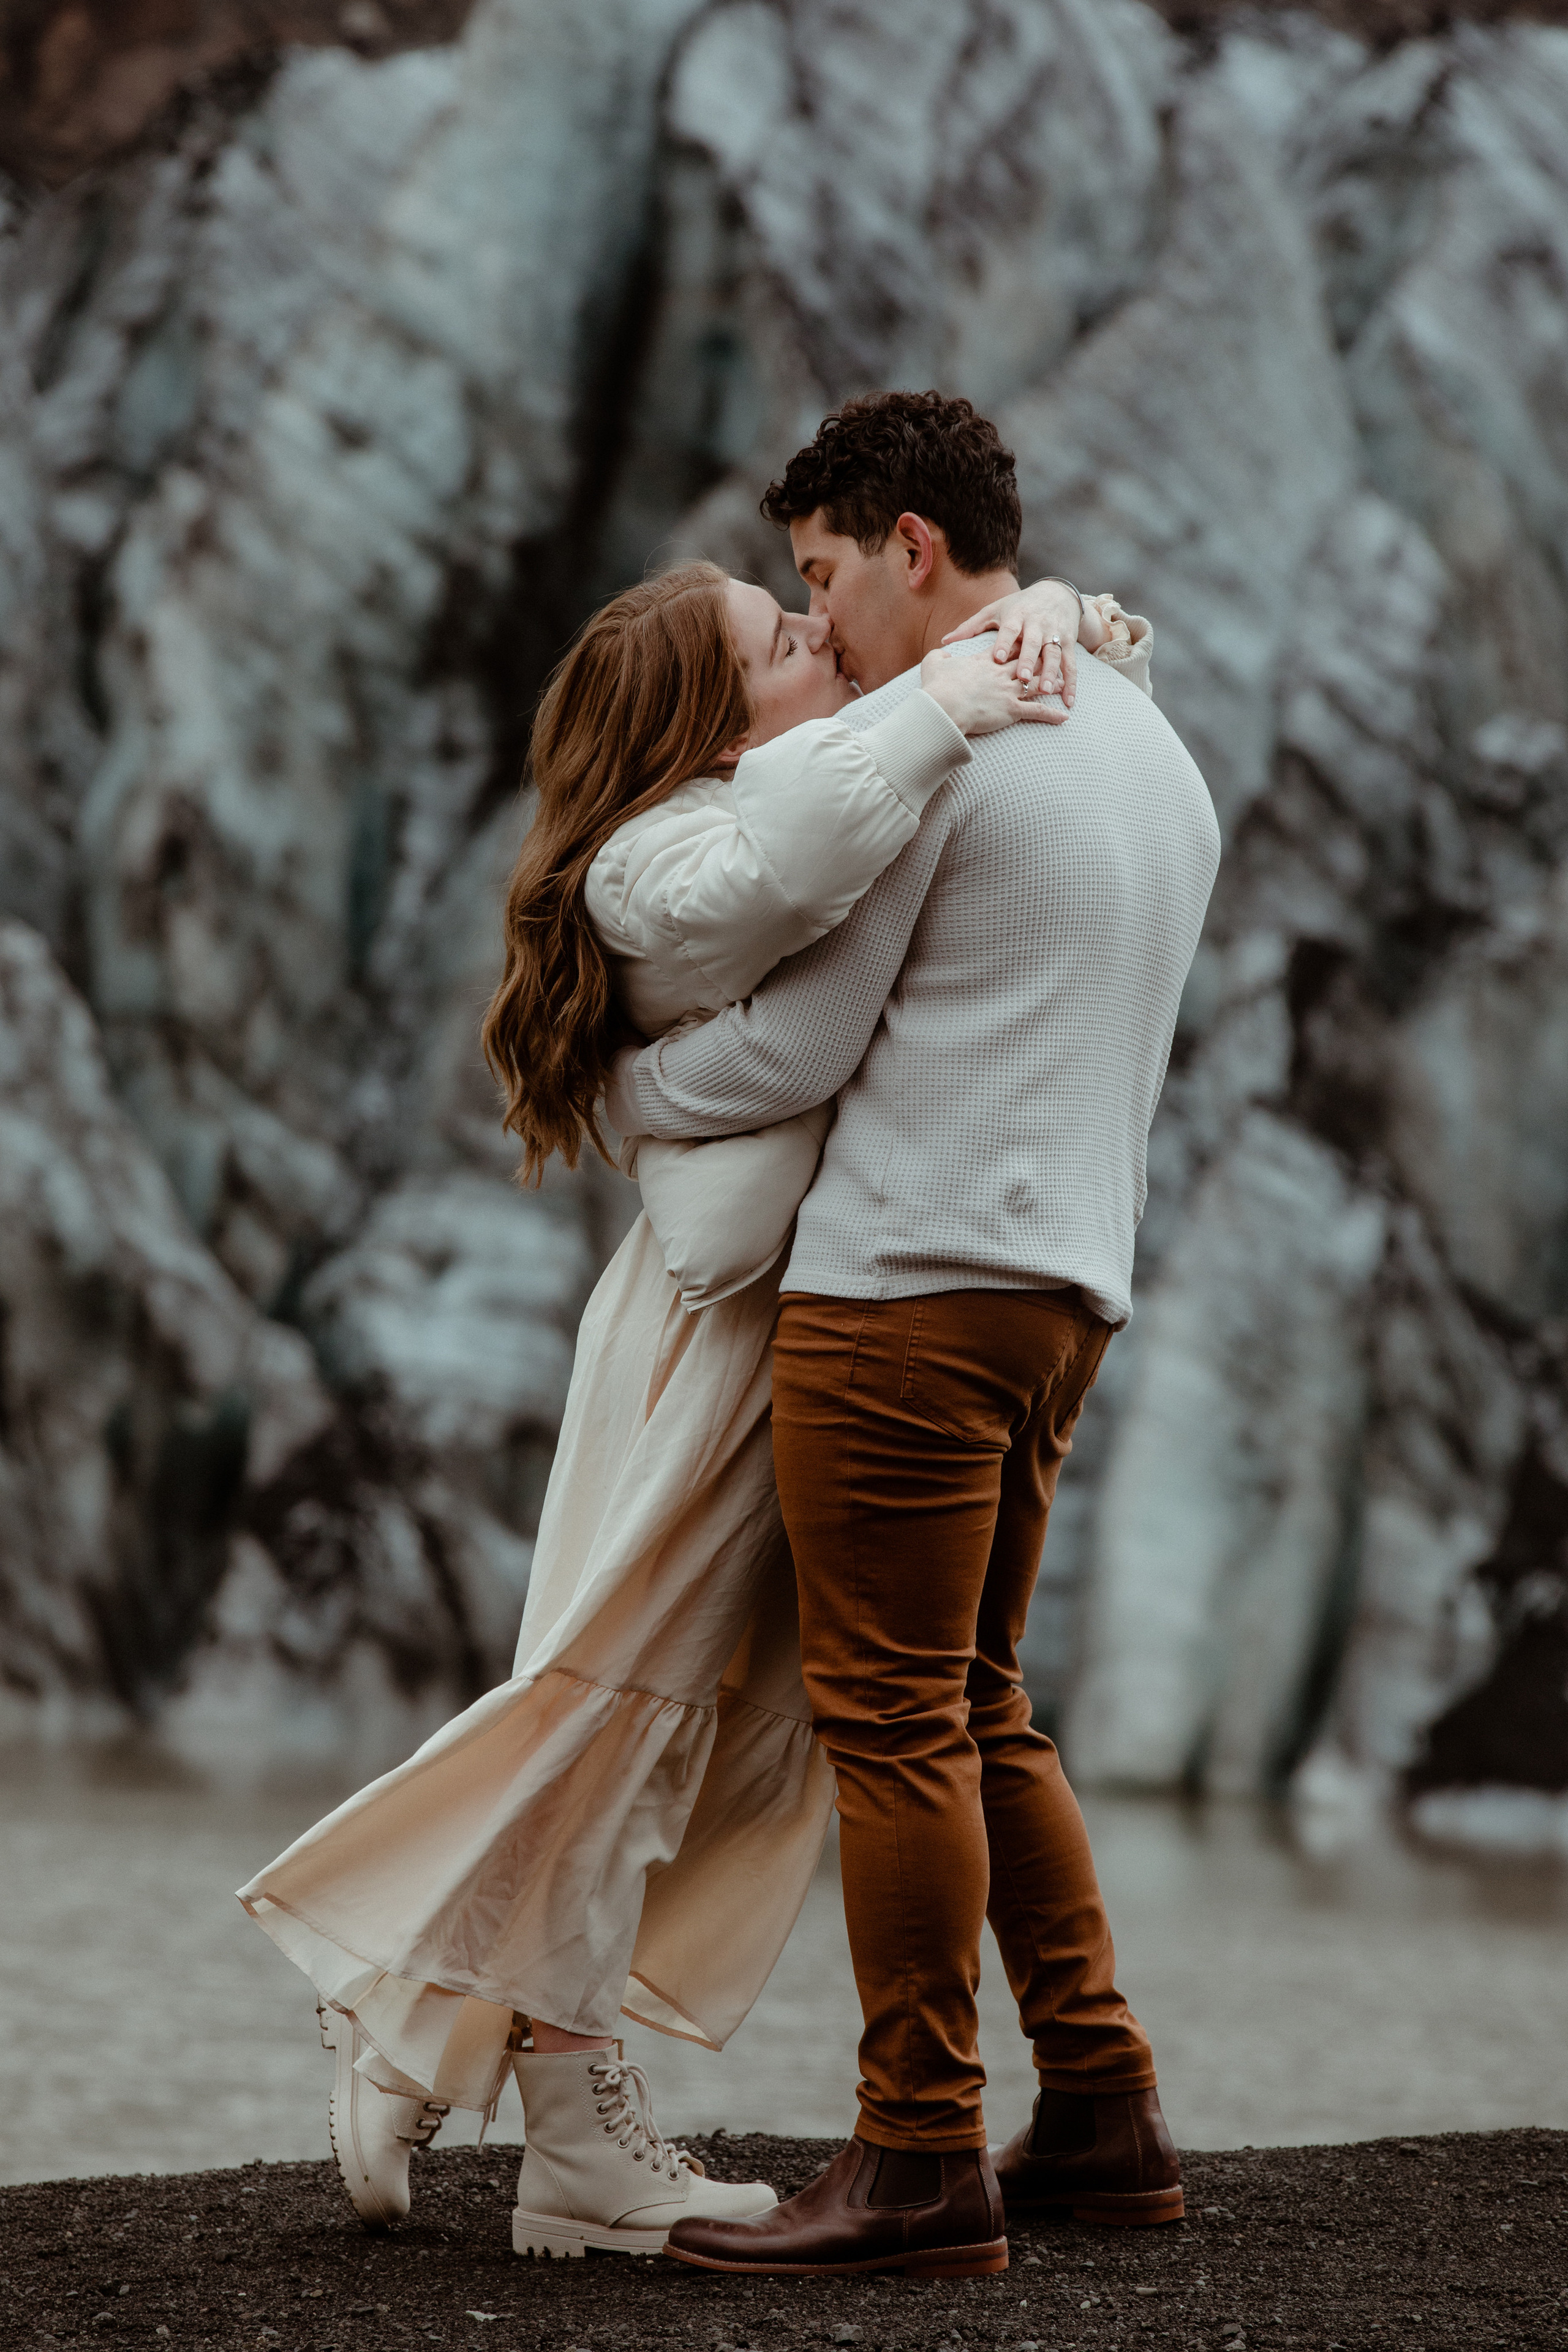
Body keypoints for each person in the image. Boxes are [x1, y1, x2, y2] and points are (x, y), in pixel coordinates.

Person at [238, 540, 1137, 2255]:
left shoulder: (780, 804)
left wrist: (1052, 621)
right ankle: (433, 2018)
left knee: (662, 1725)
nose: (825, 640)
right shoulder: (661, 864)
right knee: (621, 1709)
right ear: (719, 731)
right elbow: (800, 1014)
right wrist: (956, 688)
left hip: (772, 1319)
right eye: (787, 635)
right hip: (705, 1335)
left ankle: (493, 2069)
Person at [602, 389, 1222, 2280]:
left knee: (893, 1726)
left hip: (905, 1294)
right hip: (1064, 1294)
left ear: (910, 551)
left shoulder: (945, 744)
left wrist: (608, 1085)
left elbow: (795, 1045)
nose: (825, 627)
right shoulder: (1149, 743)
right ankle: (1101, 2107)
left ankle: (918, 2154)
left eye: (824, 578)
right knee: (977, 1698)